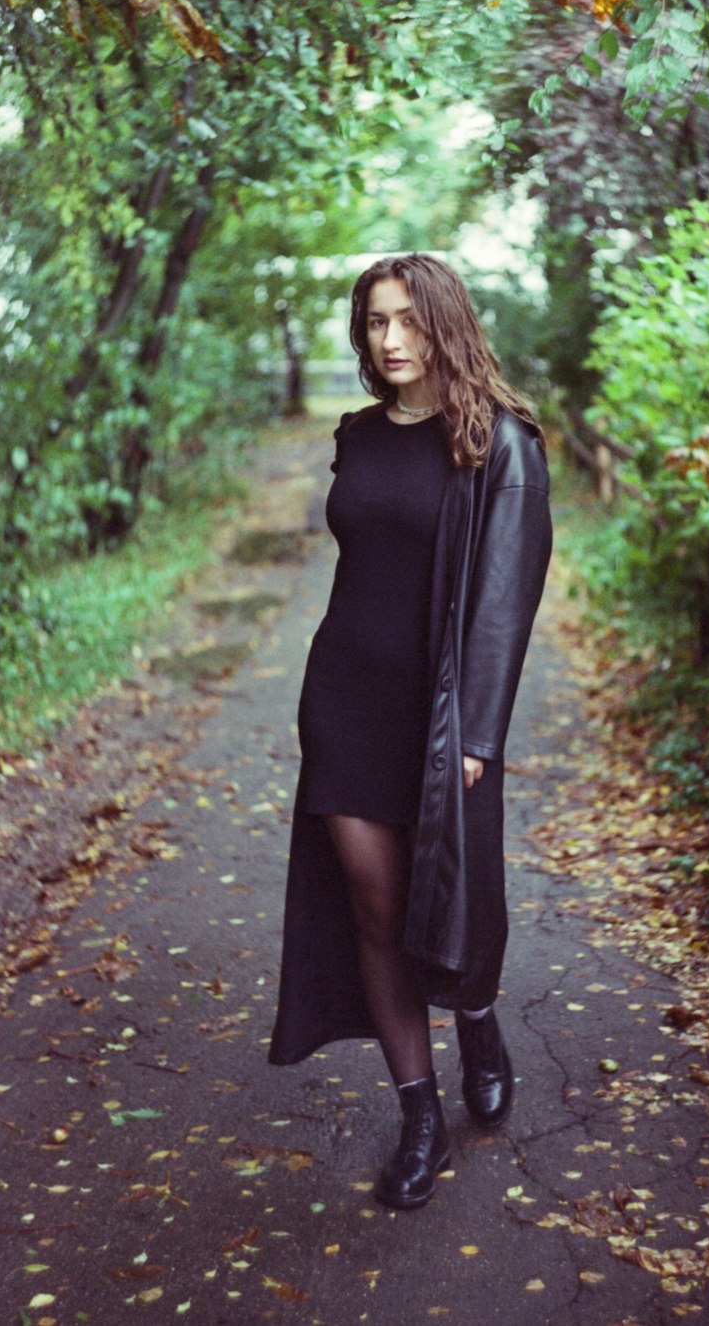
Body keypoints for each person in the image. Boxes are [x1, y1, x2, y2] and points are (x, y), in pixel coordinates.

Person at [268, 252, 552, 1210]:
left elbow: (507, 602)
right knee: (376, 907)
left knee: (455, 904)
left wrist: (477, 730)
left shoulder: (499, 444)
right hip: (344, 700)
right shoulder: (355, 434)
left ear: (444, 323)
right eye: (375, 322)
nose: (390, 340)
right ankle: (419, 1113)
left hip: (443, 720)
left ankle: (476, 1014)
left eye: (407, 321)